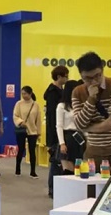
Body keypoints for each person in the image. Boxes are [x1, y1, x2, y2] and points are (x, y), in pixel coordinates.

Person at [71, 52, 111, 171]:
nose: (94, 82)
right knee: (90, 182)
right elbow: (79, 124)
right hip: (92, 152)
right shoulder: (77, 92)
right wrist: (91, 99)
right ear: (81, 76)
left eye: (97, 76)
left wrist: (89, 128)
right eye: (88, 78)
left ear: (102, 69)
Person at [44, 65, 69, 197]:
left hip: (59, 132)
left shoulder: (60, 90)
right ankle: (52, 189)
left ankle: (56, 189)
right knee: (55, 161)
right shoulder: (52, 93)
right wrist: (56, 136)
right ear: (59, 77)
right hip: (55, 133)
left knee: (59, 162)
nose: (67, 79)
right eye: (66, 76)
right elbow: (53, 118)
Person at [56, 79, 83, 173]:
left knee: (79, 169)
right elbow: (59, 126)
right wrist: (62, 143)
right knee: (68, 170)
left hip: (79, 137)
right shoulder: (61, 106)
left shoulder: (79, 105)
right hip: (67, 137)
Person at [14, 87, 41, 177]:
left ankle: (33, 172)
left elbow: (38, 119)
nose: (23, 95)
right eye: (22, 93)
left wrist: (38, 132)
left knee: (32, 151)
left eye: (25, 93)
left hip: (32, 131)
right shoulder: (19, 104)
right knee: (21, 149)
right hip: (21, 130)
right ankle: (17, 169)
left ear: (30, 93)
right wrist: (20, 122)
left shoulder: (36, 105)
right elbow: (15, 115)